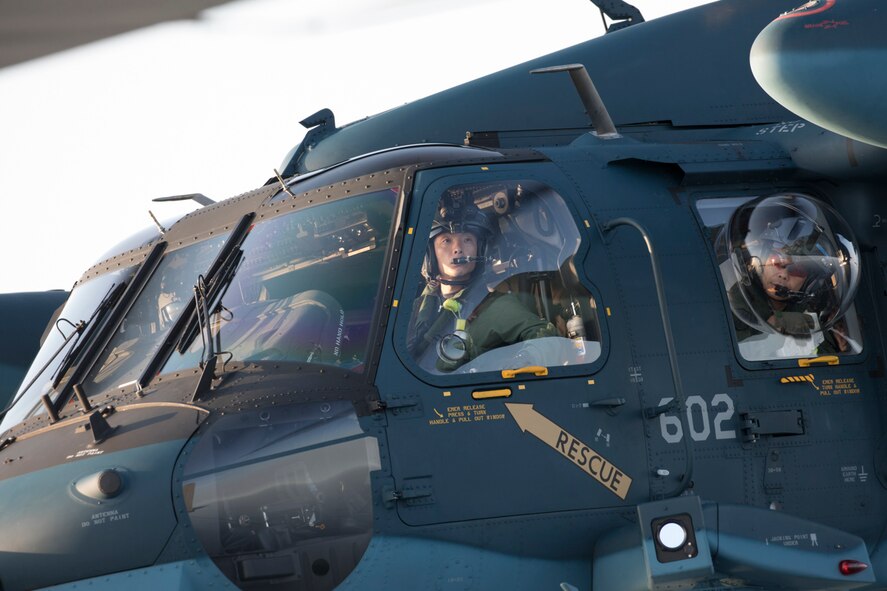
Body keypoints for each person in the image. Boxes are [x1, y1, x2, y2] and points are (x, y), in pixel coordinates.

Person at [407, 195, 558, 372]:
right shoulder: (415, 308)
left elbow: (545, 336)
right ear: (430, 254)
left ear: (481, 249)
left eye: (467, 240)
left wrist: (521, 362)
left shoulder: (494, 306)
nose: (458, 249)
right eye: (446, 240)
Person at [723, 194, 857, 359]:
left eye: (798, 269)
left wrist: (841, 349)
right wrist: (775, 327)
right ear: (761, 258)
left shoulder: (816, 319)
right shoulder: (731, 311)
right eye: (777, 262)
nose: (783, 274)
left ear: (811, 283)